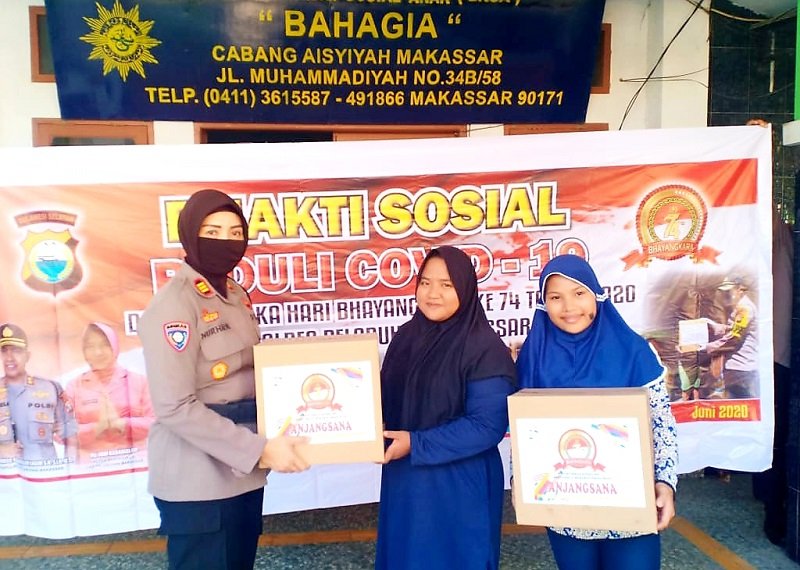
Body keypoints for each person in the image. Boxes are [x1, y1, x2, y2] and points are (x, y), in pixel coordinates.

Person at [137, 189, 309, 570]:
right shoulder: (174, 305)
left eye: (235, 233)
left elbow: (249, 371)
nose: (225, 242)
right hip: (198, 481)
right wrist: (259, 451)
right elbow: (174, 406)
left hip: (243, 474)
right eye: (212, 232)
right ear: (189, 234)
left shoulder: (235, 295)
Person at [515, 255, 677, 570]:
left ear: (596, 295)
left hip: (631, 508)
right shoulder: (534, 357)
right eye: (555, 297)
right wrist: (519, 480)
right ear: (544, 303)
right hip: (566, 510)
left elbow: (661, 423)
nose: (568, 306)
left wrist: (665, 483)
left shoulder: (633, 350)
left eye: (579, 293)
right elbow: (524, 430)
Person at [376, 245, 517, 570]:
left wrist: (415, 443)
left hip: (458, 484)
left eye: (446, 285)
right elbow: (385, 398)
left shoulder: (483, 347)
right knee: (405, 557)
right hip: (406, 477)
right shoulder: (406, 336)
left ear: (465, 289)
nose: (432, 294)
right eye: (425, 283)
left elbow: (486, 426)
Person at [64, 322, 154, 464]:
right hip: (91, 467)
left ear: (115, 346)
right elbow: (60, 432)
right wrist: (96, 428)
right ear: (84, 351)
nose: (98, 352)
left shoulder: (140, 382)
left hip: (135, 464)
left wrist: (122, 424)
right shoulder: (74, 386)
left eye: (104, 345)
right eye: (90, 346)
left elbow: (156, 423)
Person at [0, 323, 77, 462]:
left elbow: (71, 437)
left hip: (46, 473)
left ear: (27, 356)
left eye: (16, 350)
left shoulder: (50, 388)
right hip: (5, 474)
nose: (9, 357)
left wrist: (70, 470)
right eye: (4, 351)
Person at [704, 276, 758, 399]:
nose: (725, 295)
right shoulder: (740, 307)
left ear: (741, 290)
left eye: (729, 291)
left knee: (741, 405)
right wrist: (715, 327)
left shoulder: (744, 308)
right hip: (738, 368)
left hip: (742, 368)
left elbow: (734, 338)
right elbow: (734, 329)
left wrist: (705, 347)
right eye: (723, 292)